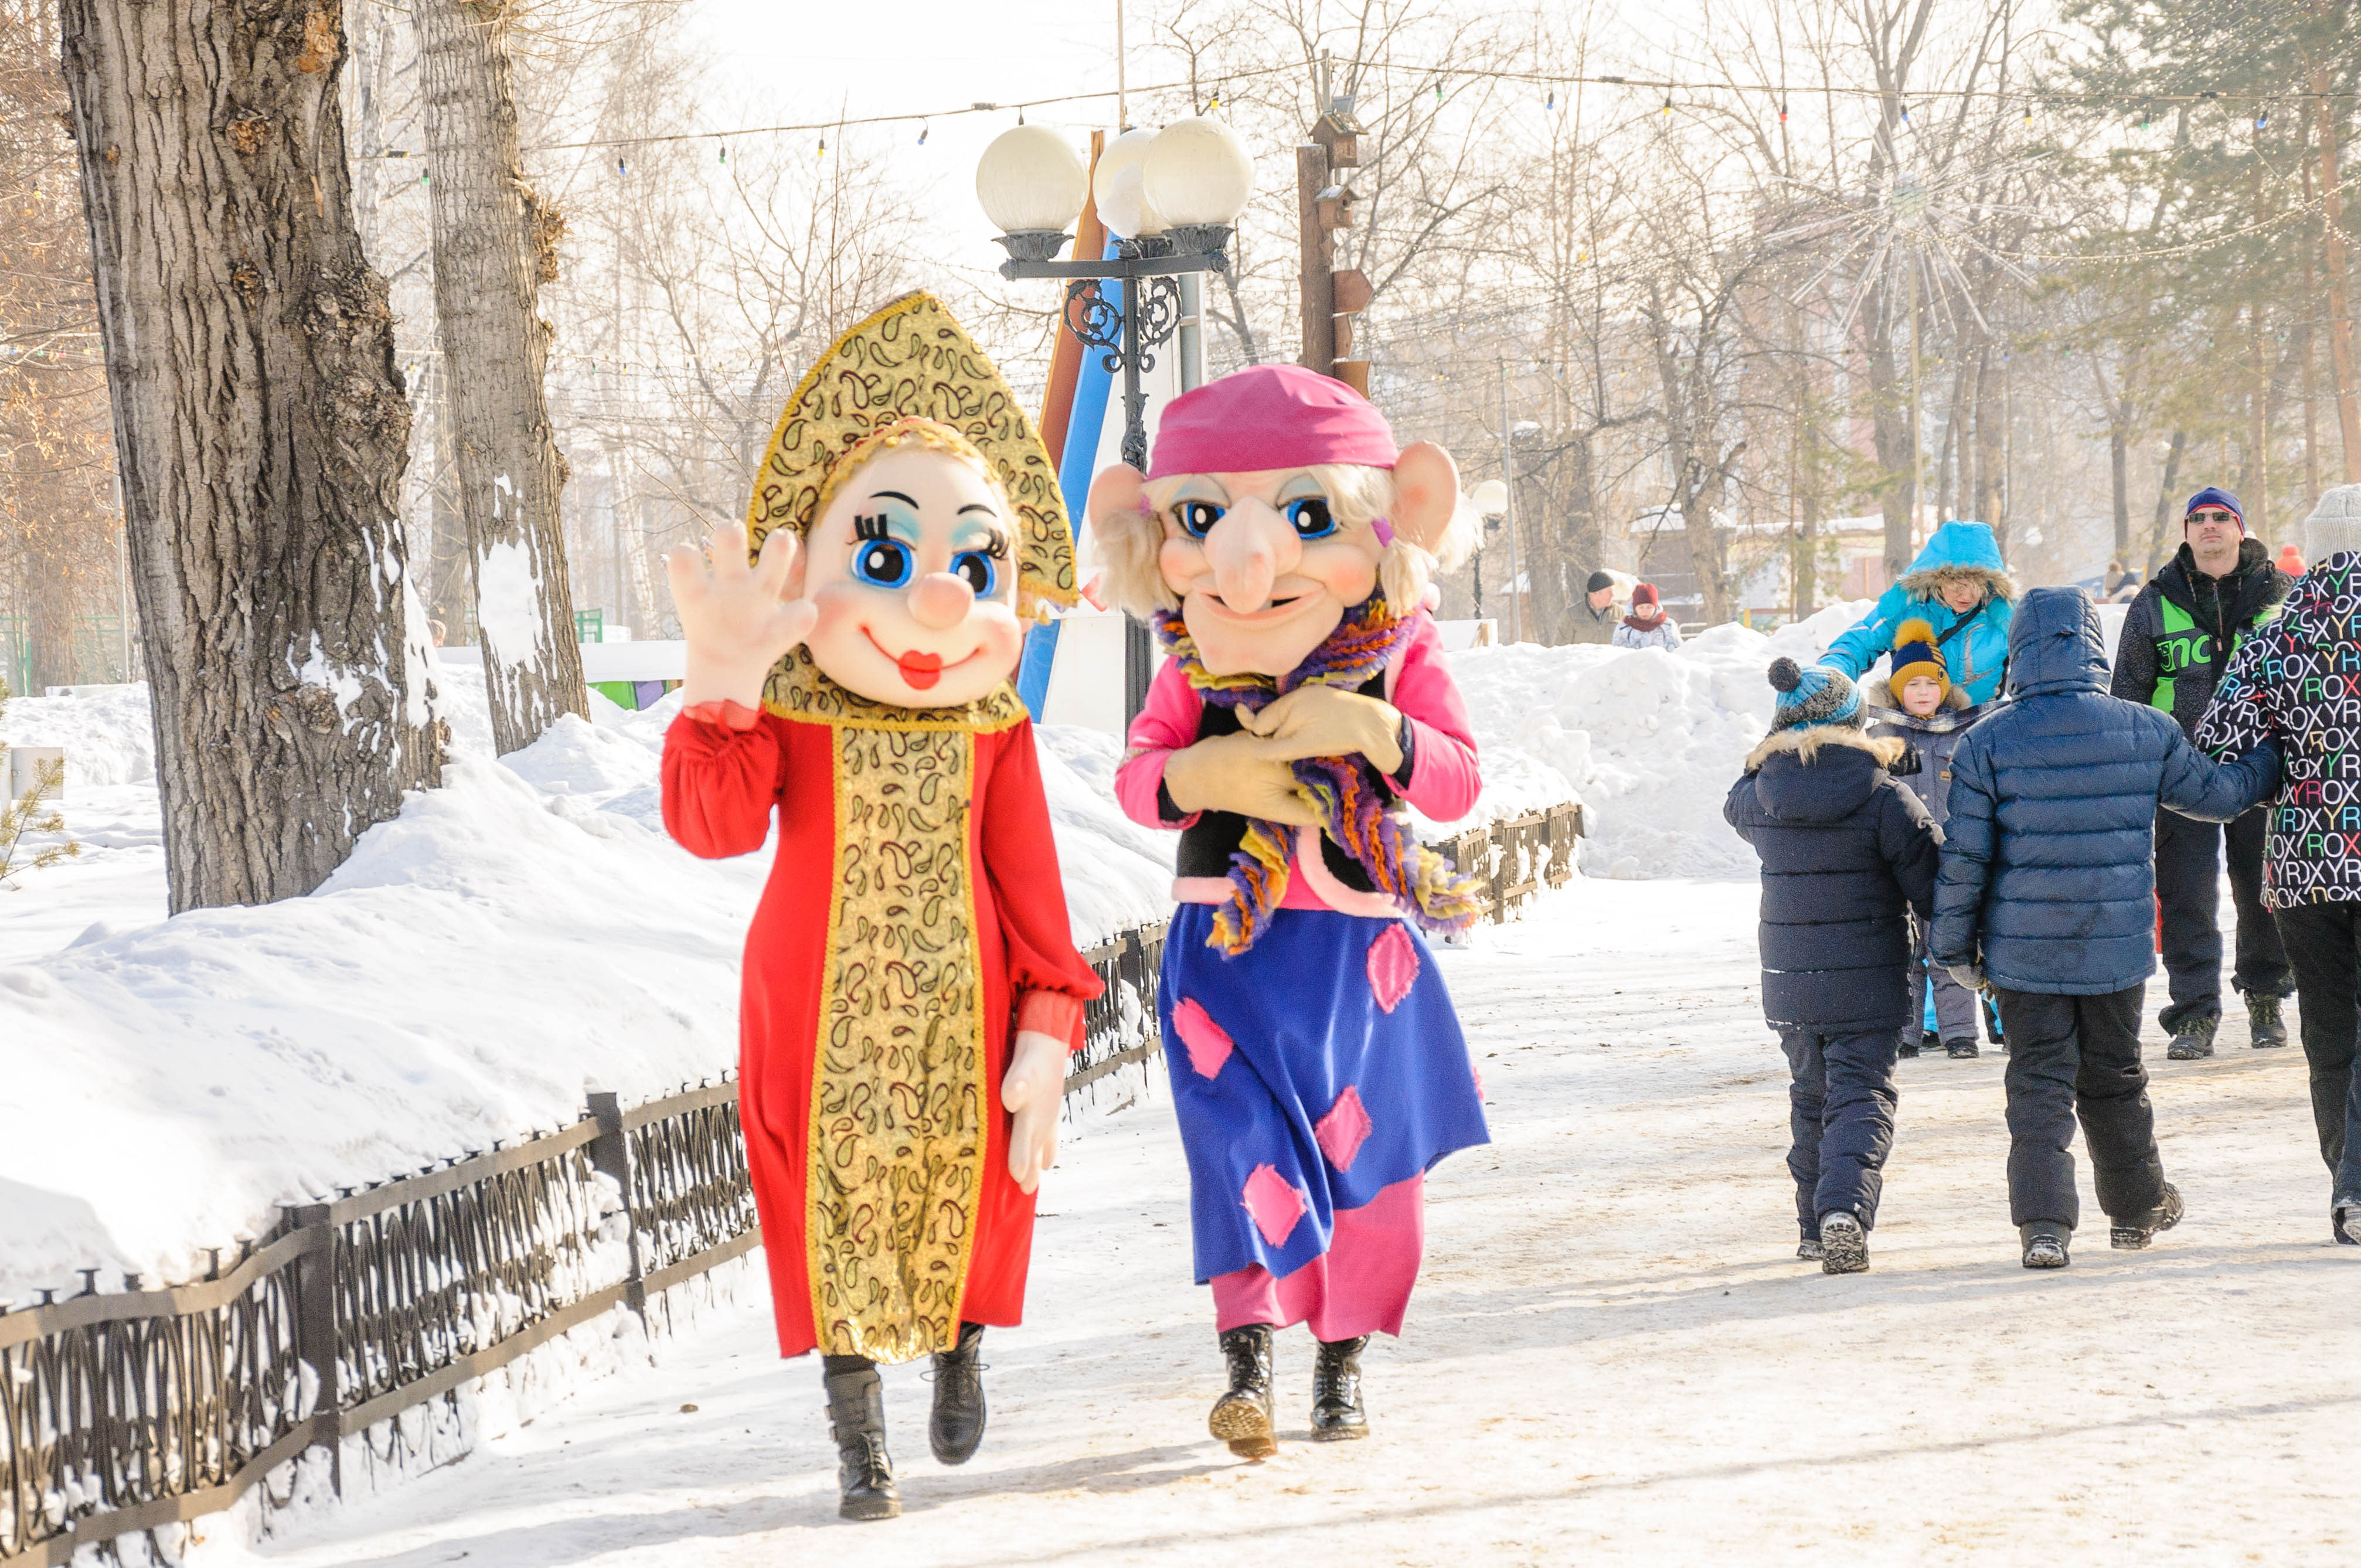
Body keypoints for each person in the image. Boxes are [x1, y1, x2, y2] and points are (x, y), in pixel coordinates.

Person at [659, 293, 1101, 1519]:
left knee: (968, 1173)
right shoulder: (796, 710)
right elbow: (712, 825)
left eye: (974, 566)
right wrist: (722, 682)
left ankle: (961, 1343)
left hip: (964, 1013)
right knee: (831, 1199)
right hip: (814, 1016)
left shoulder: (992, 729)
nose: (938, 603)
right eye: (888, 558)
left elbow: (1032, 890)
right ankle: (857, 1433)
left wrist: (1049, 1025)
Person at [1090, 365, 1491, 1458]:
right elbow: (1137, 775)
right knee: (1238, 1150)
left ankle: (1340, 1365)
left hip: (1361, 956)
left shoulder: (1400, 650)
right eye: (1202, 520)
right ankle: (1247, 1367)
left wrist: (1372, 730)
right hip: (1225, 947)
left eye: (1309, 517)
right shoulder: (1193, 658)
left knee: (1361, 1162)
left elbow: (1457, 781)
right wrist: (1202, 773)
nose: (1248, 559)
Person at [1933, 588, 2281, 1269]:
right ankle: (2134, 1209)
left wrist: (1952, 947)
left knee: (2036, 1082)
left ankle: (2043, 1227)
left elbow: (1964, 858)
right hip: (2114, 945)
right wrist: (2271, 755)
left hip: (2022, 952)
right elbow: (2218, 796)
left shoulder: (1984, 741)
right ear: (2094, 644)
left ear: (2019, 648)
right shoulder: (2144, 728)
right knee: (2114, 1075)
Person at [1726, 657, 1940, 1274]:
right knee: (1861, 1094)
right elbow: (1932, 881)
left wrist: (1768, 754)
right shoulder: (1883, 795)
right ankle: (1842, 1209)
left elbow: (1734, 802)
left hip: (1789, 981)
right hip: (1868, 977)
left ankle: (1811, 1228)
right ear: (1856, 722)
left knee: (1810, 1096)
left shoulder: (1758, 796)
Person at [2194, 482, 2361, 1246]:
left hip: (2302, 866)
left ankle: (2345, 1187)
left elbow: (2217, 742)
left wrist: (2283, 770)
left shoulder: (2276, 636)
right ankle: (2357, 1185)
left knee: (2327, 1029)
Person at [2109, 486, 2295, 1059]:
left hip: (2260, 764)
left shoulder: (2280, 595)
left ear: (2240, 528)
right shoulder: (2153, 600)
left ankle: (2265, 996)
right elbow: (2129, 692)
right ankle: (2193, 1012)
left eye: (2221, 517)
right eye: (2198, 518)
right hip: (2180, 768)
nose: (2209, 525)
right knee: (2185, 893)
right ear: (2187, 532)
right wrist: (2135, 767)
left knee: (2261, 887)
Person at [1865, 618, 1987, 1059]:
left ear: (1944, 688)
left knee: (1950, 946)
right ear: (1897, 690)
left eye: (1931, 683)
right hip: (1898, 861)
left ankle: (1960, 1034)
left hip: (1952, 859)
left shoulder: (1966, 732)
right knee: (1905, 951)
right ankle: (1906, 1034)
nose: (1922, 691)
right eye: (1911, 684)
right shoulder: (1880, 738)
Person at [1821, 521, 2016, 705]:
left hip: (1983, 722)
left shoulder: (2007, 618)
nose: (1967, 595)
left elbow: (2033, 662)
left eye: (1978, 586)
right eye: (1958, 585)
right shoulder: (1906, 609)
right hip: (1914, 723)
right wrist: (1830, 679)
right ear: (1938, 578)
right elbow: (1859, 643)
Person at [1612, 582, 1682, 649]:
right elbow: (1618, 653)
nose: (1645, 611)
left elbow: (1678, 651)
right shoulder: (1623, 628)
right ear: (1635, 608)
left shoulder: (1668, 626)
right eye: (1641, 607)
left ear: (1656, 607)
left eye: (1649, 607)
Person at [1573, 569, 1620, 644]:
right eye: (1609, 592)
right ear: (1595, 594)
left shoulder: (1619, 613)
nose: (1613, 595)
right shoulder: (1571, 615)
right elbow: (1560, 649)